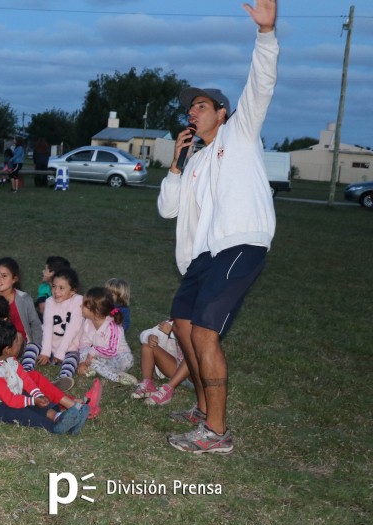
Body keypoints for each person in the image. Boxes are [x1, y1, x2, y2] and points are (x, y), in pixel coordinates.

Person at [157, 0, 278, 455]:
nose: (192, 112)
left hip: (241, 244)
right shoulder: (198, 160)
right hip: (204, 256)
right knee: (185, 327)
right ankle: (203, 407)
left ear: (222, 112)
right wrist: (175, 164)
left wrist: (266, 35)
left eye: (201, 105)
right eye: (190, 108)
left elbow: (260, 86)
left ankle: (216, 433)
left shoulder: (240, 134)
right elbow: (168, 210)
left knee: (205, 333)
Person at [0, 320, 90, 434]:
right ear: (7, 349)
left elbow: (24, 378)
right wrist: (32, 400)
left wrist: (37, 395)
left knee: (31, 399)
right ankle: (55, 427)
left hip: (7, 394)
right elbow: (10, 400)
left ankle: (59, 417)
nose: (19, 342)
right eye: (16, 341)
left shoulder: (8, 358)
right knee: (22, 412)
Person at [22, 267, 84, 392]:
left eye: (61, 288)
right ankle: (25, 372)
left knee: (72, 358)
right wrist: (45, 351)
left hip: (68, 348)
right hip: (49, 348)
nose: (56, 291)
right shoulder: (50, 301)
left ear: (73, 290)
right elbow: (48, 325)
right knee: (32, 346)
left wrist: (61, 353)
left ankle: (63, 378)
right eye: (54, 286)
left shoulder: (79, 301)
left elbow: (73, 329)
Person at [77, 287, 137, 386]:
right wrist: (83, 361)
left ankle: (117, 378)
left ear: (95, 311)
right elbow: (84, 344)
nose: (80, 306)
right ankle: (93, 367)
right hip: (103, 357)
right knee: (84, 354)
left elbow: (112, 350)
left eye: (84, 304)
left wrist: (93, 352)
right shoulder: (88, 322)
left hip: (120, 358)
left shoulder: (112, 326)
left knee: (93, 361)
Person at [130, 320, 186, 400]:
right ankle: (147, 384)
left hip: (194, 375)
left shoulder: (201, 326)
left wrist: (172, 334)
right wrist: (150, 337)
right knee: (147, 346)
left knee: (191, 356)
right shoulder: (173, 323)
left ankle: (168, 388)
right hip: (175, 369)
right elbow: (144, 333)